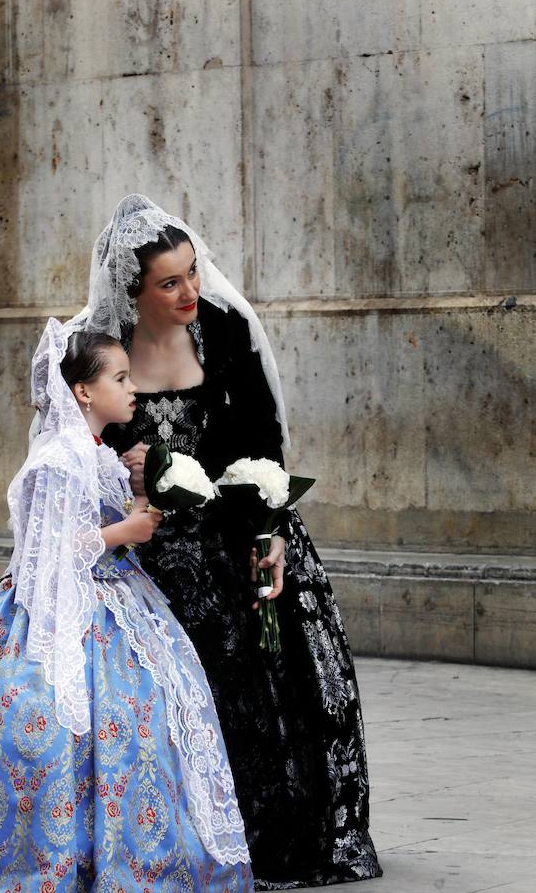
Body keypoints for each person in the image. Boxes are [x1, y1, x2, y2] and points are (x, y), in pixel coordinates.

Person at [92, 194, 382, 888]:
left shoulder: (223, 330)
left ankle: (276, 835)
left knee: (273, 671)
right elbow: (74, 443)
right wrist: (123, 470)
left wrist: (270, 533)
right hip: (149, 540)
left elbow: (262, 441)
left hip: (237, 524)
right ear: (131, 292)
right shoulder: (99, 348)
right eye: (169, 282)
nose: (190, 291)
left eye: (192, 272)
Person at [0, 318, 252, 891]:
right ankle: (65, 855)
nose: (133, 387)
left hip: (117, 598)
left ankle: (140, 853)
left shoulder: (97, 453)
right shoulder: (58, 457)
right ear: (84, 391)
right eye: (120, 377)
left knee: (154, 720)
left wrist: (141, 491)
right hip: (66, 605)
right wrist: (125, 531)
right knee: (72, 727)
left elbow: (117, 522)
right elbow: (45, 550)